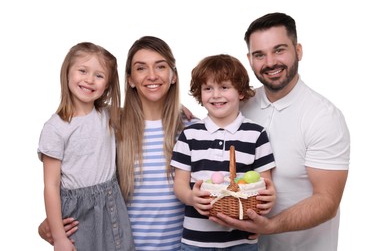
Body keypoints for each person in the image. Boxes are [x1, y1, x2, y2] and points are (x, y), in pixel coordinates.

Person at [38, 37, 196, 251]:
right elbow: (75, 175)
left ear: (173, 75)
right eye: (141, 68)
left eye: (160, 66)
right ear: (130, 79)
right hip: (120, 243)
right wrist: (51, 227)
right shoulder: (114, 124)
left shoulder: (192, 129)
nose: (152, 75)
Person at [209, 12, 350, 251]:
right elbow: (205, 129)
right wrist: (181, 112)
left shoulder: (323, 117)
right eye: (259, 55)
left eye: (279, 50)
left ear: (299, 51)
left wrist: (270, 226)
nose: (270, 62)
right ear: (249, 59)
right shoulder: (241, 105)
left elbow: (327, 201)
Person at [171, 54, 276, 250]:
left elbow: (264, 183)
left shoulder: (256, 134)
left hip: (241, 240)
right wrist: (191, 198)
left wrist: (268, 200)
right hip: (196, 241)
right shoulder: (189, 135)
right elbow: (180, 184)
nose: (216, 95)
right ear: (199, 94)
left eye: (224, 87)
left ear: (241, 92)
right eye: (208, 88)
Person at [37, 42, 135, 251]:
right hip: (78, 213)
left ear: (107, 85)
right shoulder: (56, 128)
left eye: (99, 76)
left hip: (112, 203)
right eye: (83, 71)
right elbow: (51, 186)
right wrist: (59, 236)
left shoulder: (109, 116)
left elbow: (144, 110)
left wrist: (176, 106)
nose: (89, 80)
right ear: (67, 73)